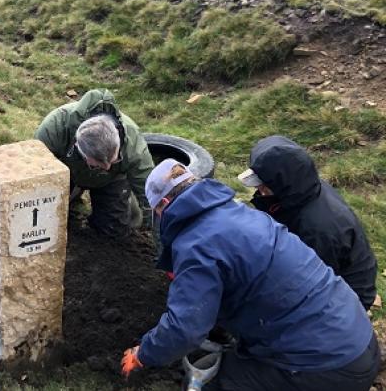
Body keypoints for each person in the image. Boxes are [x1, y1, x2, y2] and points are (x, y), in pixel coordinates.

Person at [120, 159, 379, 390]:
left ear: (163, 204)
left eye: (155, 212)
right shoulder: (242, 213)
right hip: (358, 337)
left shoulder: (195, 247)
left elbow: (185, 329)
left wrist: (143, 354)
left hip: (327, 368)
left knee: (216, 384)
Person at [238, 135, 377, 310]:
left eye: (264, 184)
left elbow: (308, 282)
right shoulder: (303, 188)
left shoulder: (316, 230)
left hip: (347, 297)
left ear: (283, 184)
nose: (259, 189)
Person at [34, 89, 153, 237]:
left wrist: (165, 248)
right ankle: (74, 195)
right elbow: (34, 180)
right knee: (47, 220)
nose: (107, 167)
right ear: (78, 147)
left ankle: (125, 201)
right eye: (97, 164)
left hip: (111, 180)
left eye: (113, 160)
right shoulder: (55, 129)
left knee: (115, 230)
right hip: (65, 171)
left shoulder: (134, 147)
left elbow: (152, 197)